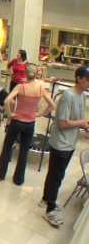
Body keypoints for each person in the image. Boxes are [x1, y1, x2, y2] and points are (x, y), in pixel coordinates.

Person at [39, 66, 89, 227]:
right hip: (60, 143)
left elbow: (76, 120)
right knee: (56, 175)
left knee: (57, 174)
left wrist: (85, 126)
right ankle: (50, 209)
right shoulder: (68, 96)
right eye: (88, 79)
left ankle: (47, 199)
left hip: (70, 142)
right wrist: (81, 123)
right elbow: (62, 123)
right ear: (79, 78)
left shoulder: (82, 96)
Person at [0, 63, 55, 185]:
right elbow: (52, 105)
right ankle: (18, 179)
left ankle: (0, 173)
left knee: (7, 147)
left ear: (25, 73)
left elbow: (6, 101)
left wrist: (10, 114)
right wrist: (40, 114)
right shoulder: (40, 87)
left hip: (17, 121)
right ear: (36, 73)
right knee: (24, 151)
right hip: (30, 123)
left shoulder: (20, 87)